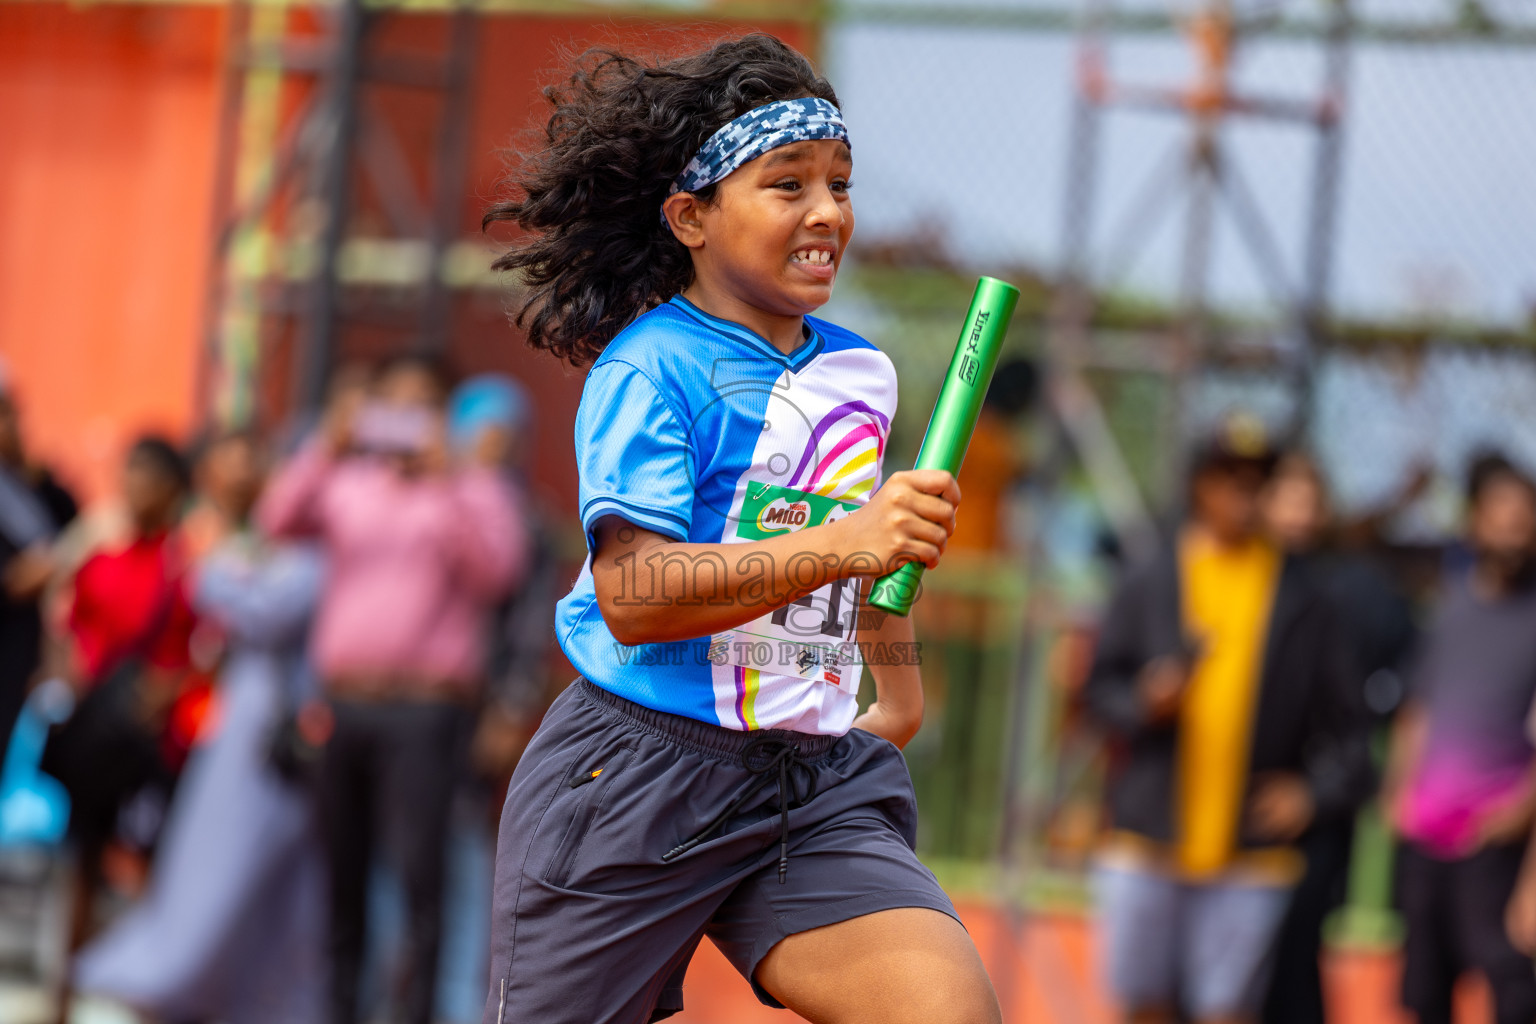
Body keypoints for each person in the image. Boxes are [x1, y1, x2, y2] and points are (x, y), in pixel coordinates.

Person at [477, 33, 999, 1024]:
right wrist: (849, 542)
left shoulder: (859, 372)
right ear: (692, 218)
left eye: (840, 184)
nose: (827, 214)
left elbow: (865, 551)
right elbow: (634, 598)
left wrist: (897, 685)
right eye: (786, 184)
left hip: (807, 780)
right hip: (633, 779)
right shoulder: (650, 369)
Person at [259, 356, 526, 1024]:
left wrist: (450, 479)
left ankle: (417, 1013)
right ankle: (341, 1010)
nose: (405, 419)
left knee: (421, 879)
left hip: (427, 710)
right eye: (391, 403)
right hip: (342, 703)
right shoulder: (349, 480)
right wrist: (328, 440)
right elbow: (276, 519)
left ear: (443, 415)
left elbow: (497, 574)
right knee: (342, 875)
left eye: (420, 405)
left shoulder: (473, 486)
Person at [1083, 416, 1372, 1024]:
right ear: (1199, 486)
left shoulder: (1304, 597)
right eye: (1229, 479)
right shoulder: (1151, 577)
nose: (1244, 495)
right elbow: (1097, 691)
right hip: (1148, 839)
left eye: (1256, 481)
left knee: (1229, 1011)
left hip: (1252, 853)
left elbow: (1351, 734)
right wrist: (1144, 702)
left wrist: (1311, 793)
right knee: (1144, 1008)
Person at [72, 427, 327, 1024]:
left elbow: (253, 611)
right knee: (176, 860)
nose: (243, 475)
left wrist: (212, 567)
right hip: (189, 728)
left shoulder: (271, 550)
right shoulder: (203, 540)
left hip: (244, 727)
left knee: (229, 864)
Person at [1259, 450, 1414, 1024]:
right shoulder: (1213, 577)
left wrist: (1310, 795)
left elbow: (1357, 734)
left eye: (1309, 500)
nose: (1296, 515)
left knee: (1290, 977)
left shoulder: (1341, 598)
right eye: (1285, 496)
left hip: (1303, 834)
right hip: (1212, 833)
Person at [1385, 454, 1536, 1024]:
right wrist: (1400, 792)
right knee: (1423, 991)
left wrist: (1521, 813)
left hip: (1494, 841)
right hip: (1428, 837)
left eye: (1525, 518)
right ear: (1474, 522)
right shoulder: (1450, 607)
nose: (1514, 530)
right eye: (1501, 517)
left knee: (1509, 984)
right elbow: (1418, 706)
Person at [0, 389, 77, 764]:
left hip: (28, 652)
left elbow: (70, 516)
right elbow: (15, 580)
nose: (13, 428)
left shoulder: (25, 487)